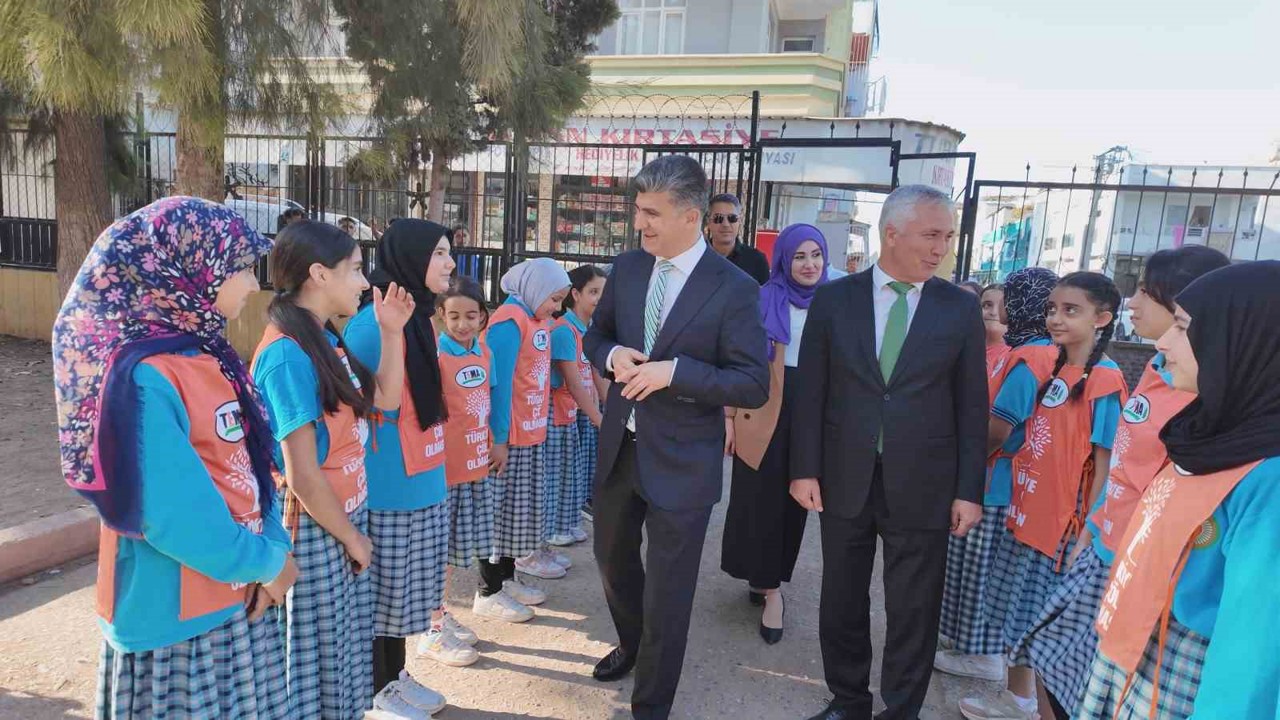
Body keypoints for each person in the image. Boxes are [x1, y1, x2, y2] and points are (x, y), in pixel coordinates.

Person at [55, 197, 296, 719]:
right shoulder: (145, 377)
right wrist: (268, 562)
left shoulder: (208, 355)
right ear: (192, 272)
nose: (254, 284)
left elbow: (256, 466)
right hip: (176, 620)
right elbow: (175, 519)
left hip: (236, 596)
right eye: (240, 268)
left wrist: (273, 547)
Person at [998, 247, 1228, 719]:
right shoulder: (1158, 369)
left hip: (1141, 563)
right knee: (1048, 653)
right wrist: (1096, 525)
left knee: (1083, 677)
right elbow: (1126, 464)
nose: (1135, 301)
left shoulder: (1204, 394)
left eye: (1148, 291)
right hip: (1104, 543)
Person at [789, 184, 988, 720]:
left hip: (925, 483)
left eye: (947, 236)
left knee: (914, 609)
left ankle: (901, 710)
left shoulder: (959, 309)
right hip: (843, 475)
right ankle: (849, 700)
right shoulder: (834, 300)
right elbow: (811, 391)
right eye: (931, 234)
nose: (941, 247)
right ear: (892, 233)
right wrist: (803, 468)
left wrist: (970, 490)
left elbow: (973, 405)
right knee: (842, 599)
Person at [584, 155, 769, 720]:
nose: (640, 225)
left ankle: (652, 704)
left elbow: (753, 382)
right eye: (638, 211)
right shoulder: (630, 268)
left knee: (670, 591)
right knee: (613, 562)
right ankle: (635, 643)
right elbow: (597, 337)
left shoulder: (734, 288)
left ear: (691, 217)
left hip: (685, 463)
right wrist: (613, 356)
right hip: (621, 450)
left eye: (651, 213)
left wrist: (675, 372)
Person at [1076, 260, 1280, 719]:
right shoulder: (1209, 435)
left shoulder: (1269, 479)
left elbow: (1254, 648)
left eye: (1184, 327)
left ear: (1243, 340)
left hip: (1195, 677)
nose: (1165, 342)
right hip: (1141, 649)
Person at [251, 221, 434, 719]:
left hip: (339, 523)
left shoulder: (323, 341)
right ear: (318, 275)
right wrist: (352, 538)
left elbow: (387, 400)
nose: (362, 282)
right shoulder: (288, 355)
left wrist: (393, 331)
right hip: (315, 530)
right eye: (354, 269)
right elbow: (302, 474)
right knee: (311, 673)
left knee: (341, 664)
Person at [960, 272, 1128, 720]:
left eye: (1071, 310)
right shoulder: (1053, 368)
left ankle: (1040, 708)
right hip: (1025, 514)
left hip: (1061, 529)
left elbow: (1105, 468)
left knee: (1049, 630)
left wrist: (1085, 537)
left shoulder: (1105, 382)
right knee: (1018, 618)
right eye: (1052, 308)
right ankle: (1019, 701)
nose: (1056, 318)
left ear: (1103, 319)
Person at [342, 220, 480, 689]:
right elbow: (375, 411)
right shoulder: (372, 325)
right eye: (440, 253)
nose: (450, 263)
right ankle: (378, 688)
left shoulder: (418, 317)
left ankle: (396, 676)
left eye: (448, 252)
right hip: (390, 487)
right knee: (383, 601)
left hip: (423, 477)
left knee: (405, 599)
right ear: (413, 259)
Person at [936, 269, 1057, 685]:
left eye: (1011, 296)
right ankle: (965, 646)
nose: (1000, 306)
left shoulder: (1031, 357)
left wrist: (964, 465)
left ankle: (981, 654)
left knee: (979, 572)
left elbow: (999, 429)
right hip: (1000, 478)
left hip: (995, 480)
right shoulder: (1033, 351)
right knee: (971, 567)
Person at [722, 223, 829, 645]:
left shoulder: (834, 303)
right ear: (784, 258)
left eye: (816, 255)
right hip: (763, 411)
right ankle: (771, 593)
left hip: (812, 414)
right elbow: (737, 361)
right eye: (799, 256)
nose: (809, 264)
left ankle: (769, 578)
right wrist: (728, 417)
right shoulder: (762, 298)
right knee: (758, 503)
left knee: (794, 505)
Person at [477, 258, 573, 611]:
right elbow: (497, 386)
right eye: (554, 299)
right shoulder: (508, 322)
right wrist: (498, 438)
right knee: (496, 515)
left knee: (513, 518)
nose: (556, 308)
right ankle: (487, 592)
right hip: (509, 438)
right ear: (536, 289)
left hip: (528, 435)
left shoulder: (535, 319)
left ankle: (506, 580)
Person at [436, 277, 510, 627]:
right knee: (439, 553)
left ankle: (442, 612)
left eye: (471, 315)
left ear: (483, 317)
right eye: (454, 317)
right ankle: (434, 619)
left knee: (455, 549)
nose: (462, 324)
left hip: (476, 463)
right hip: (445, 470)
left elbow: (494, 398)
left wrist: (499, 440)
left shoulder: (485, 352)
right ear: (441, 316)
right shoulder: (436, 356)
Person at [546, 265, 608, 547]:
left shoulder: (589, 330)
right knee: (559, 474)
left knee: (576, 471)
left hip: (578, 412)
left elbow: (595, 374)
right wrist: (600, 420)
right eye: (593, 292)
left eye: (603, 293)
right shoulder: (564, 330)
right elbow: (572, 382)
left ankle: (567, 521)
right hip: (560, 412)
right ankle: (555, 529)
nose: (599, 298)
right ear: (575, 294)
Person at [705, 192, 770, 285]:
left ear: (739, 222)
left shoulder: (756, 260)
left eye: (732, 218)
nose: (725, 224)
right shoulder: (696, 257)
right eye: (718, 218)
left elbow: (764, 297)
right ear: (708, 222)